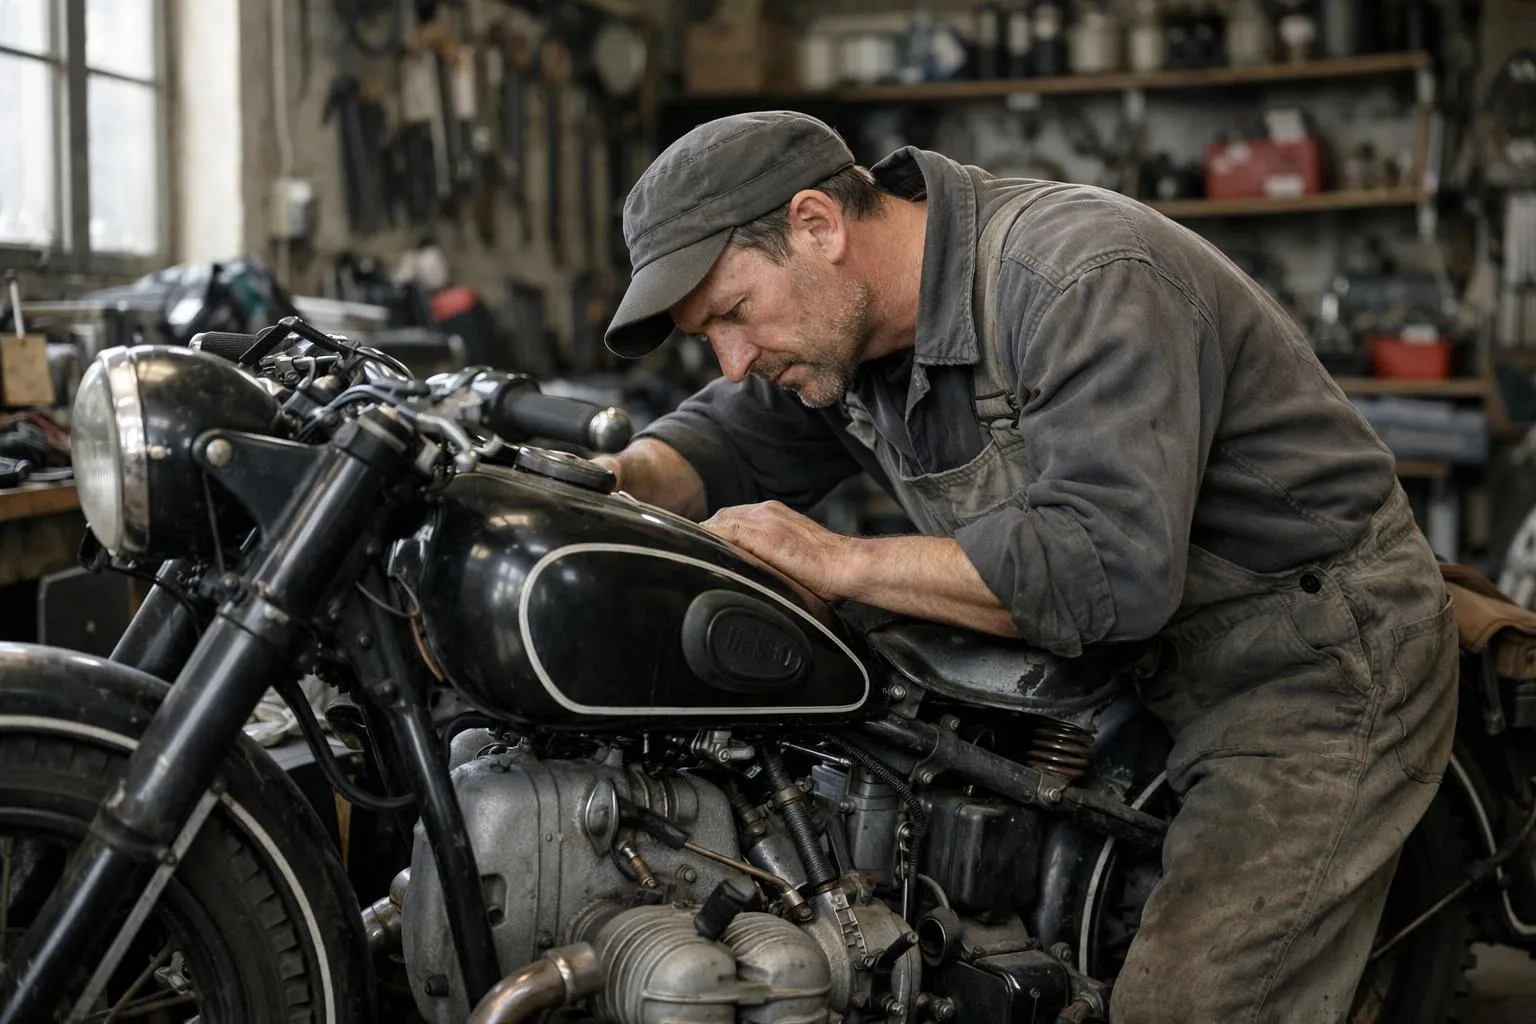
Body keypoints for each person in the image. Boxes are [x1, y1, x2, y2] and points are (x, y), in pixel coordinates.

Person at [596, 110, 1456, 1023]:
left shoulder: (1079, 277)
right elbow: (727, 438)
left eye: (734, 314)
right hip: (1120, 661)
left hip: (1307, 655)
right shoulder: (849, 333)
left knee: (1186, 1006)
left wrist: (840, 560)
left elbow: (1108, 568)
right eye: (707, 337)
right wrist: (620, 478)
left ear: (818, 225)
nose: (731, 362)